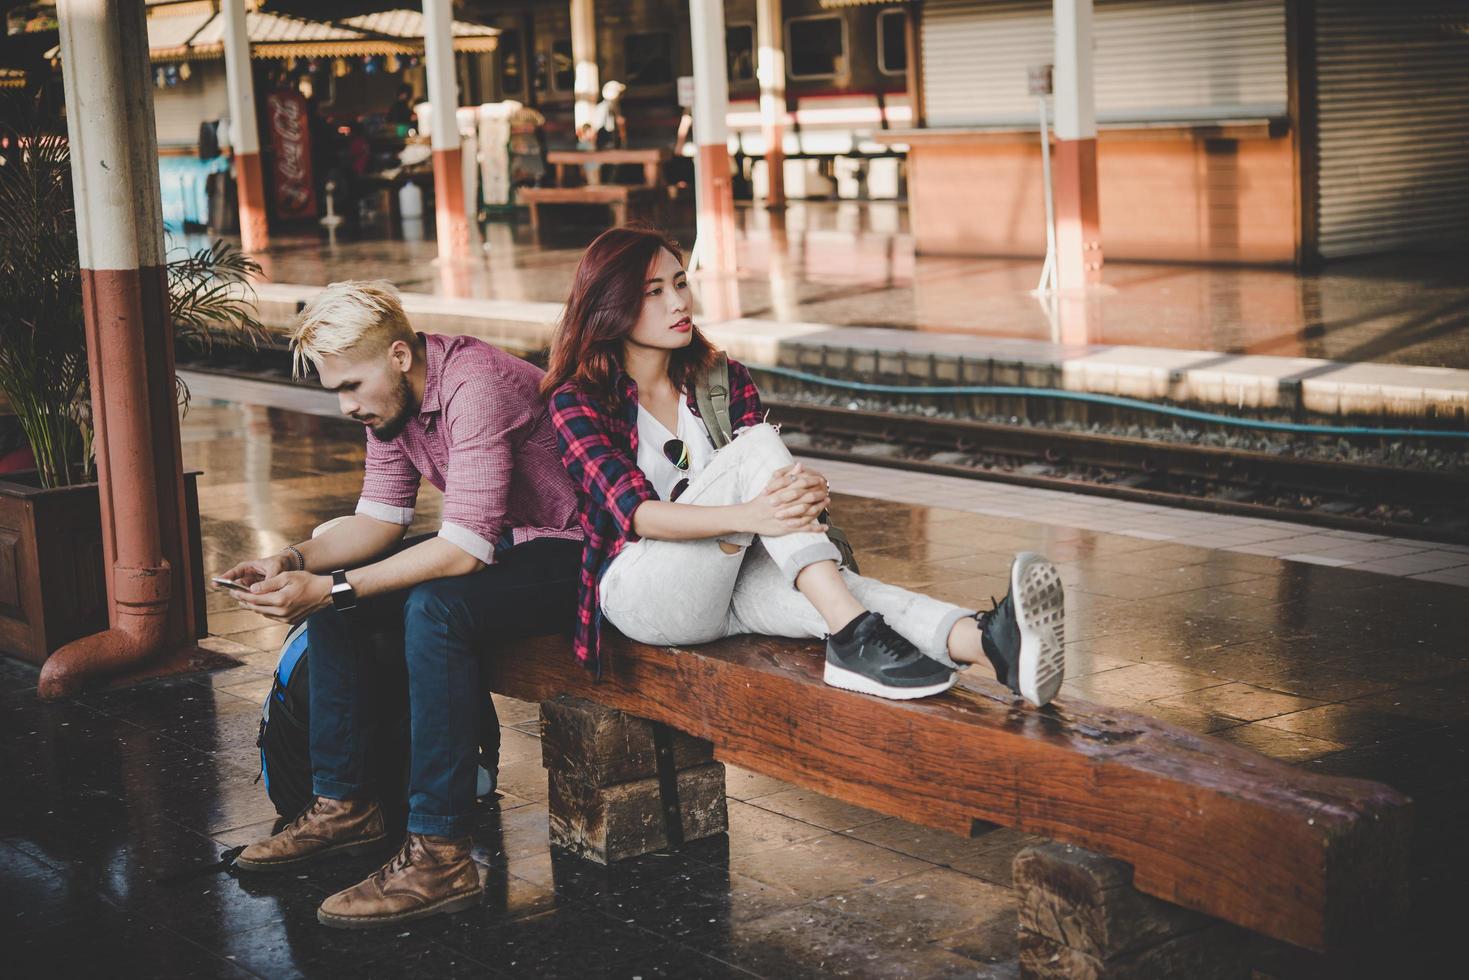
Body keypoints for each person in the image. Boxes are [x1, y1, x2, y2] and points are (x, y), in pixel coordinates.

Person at [543, 228, 1068, 706]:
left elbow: (766, 504)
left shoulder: (719, 379)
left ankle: (991, 644)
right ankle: (854, 640)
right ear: (611, 306)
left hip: (733, 581)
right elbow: (637, 515)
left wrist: (805, 495)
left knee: (846, 594)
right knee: (755, 446)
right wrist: (754, 513)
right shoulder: (580, 400)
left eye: (680, 283)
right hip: (644, 591)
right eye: (653, 292)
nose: (679, 302)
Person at [218, 280, 583, 928]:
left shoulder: (475, 384)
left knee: (434, 608)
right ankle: (344, 805)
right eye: (336, 390)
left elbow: (462, 550)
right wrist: (294, 560)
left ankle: (442, 853)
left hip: (581, 549)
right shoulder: (390, 406)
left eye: (351, 385)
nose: (346, 404)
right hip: (509, 541)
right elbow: (380, 519)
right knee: (347, 594)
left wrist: (331, 589)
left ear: (398, 356)